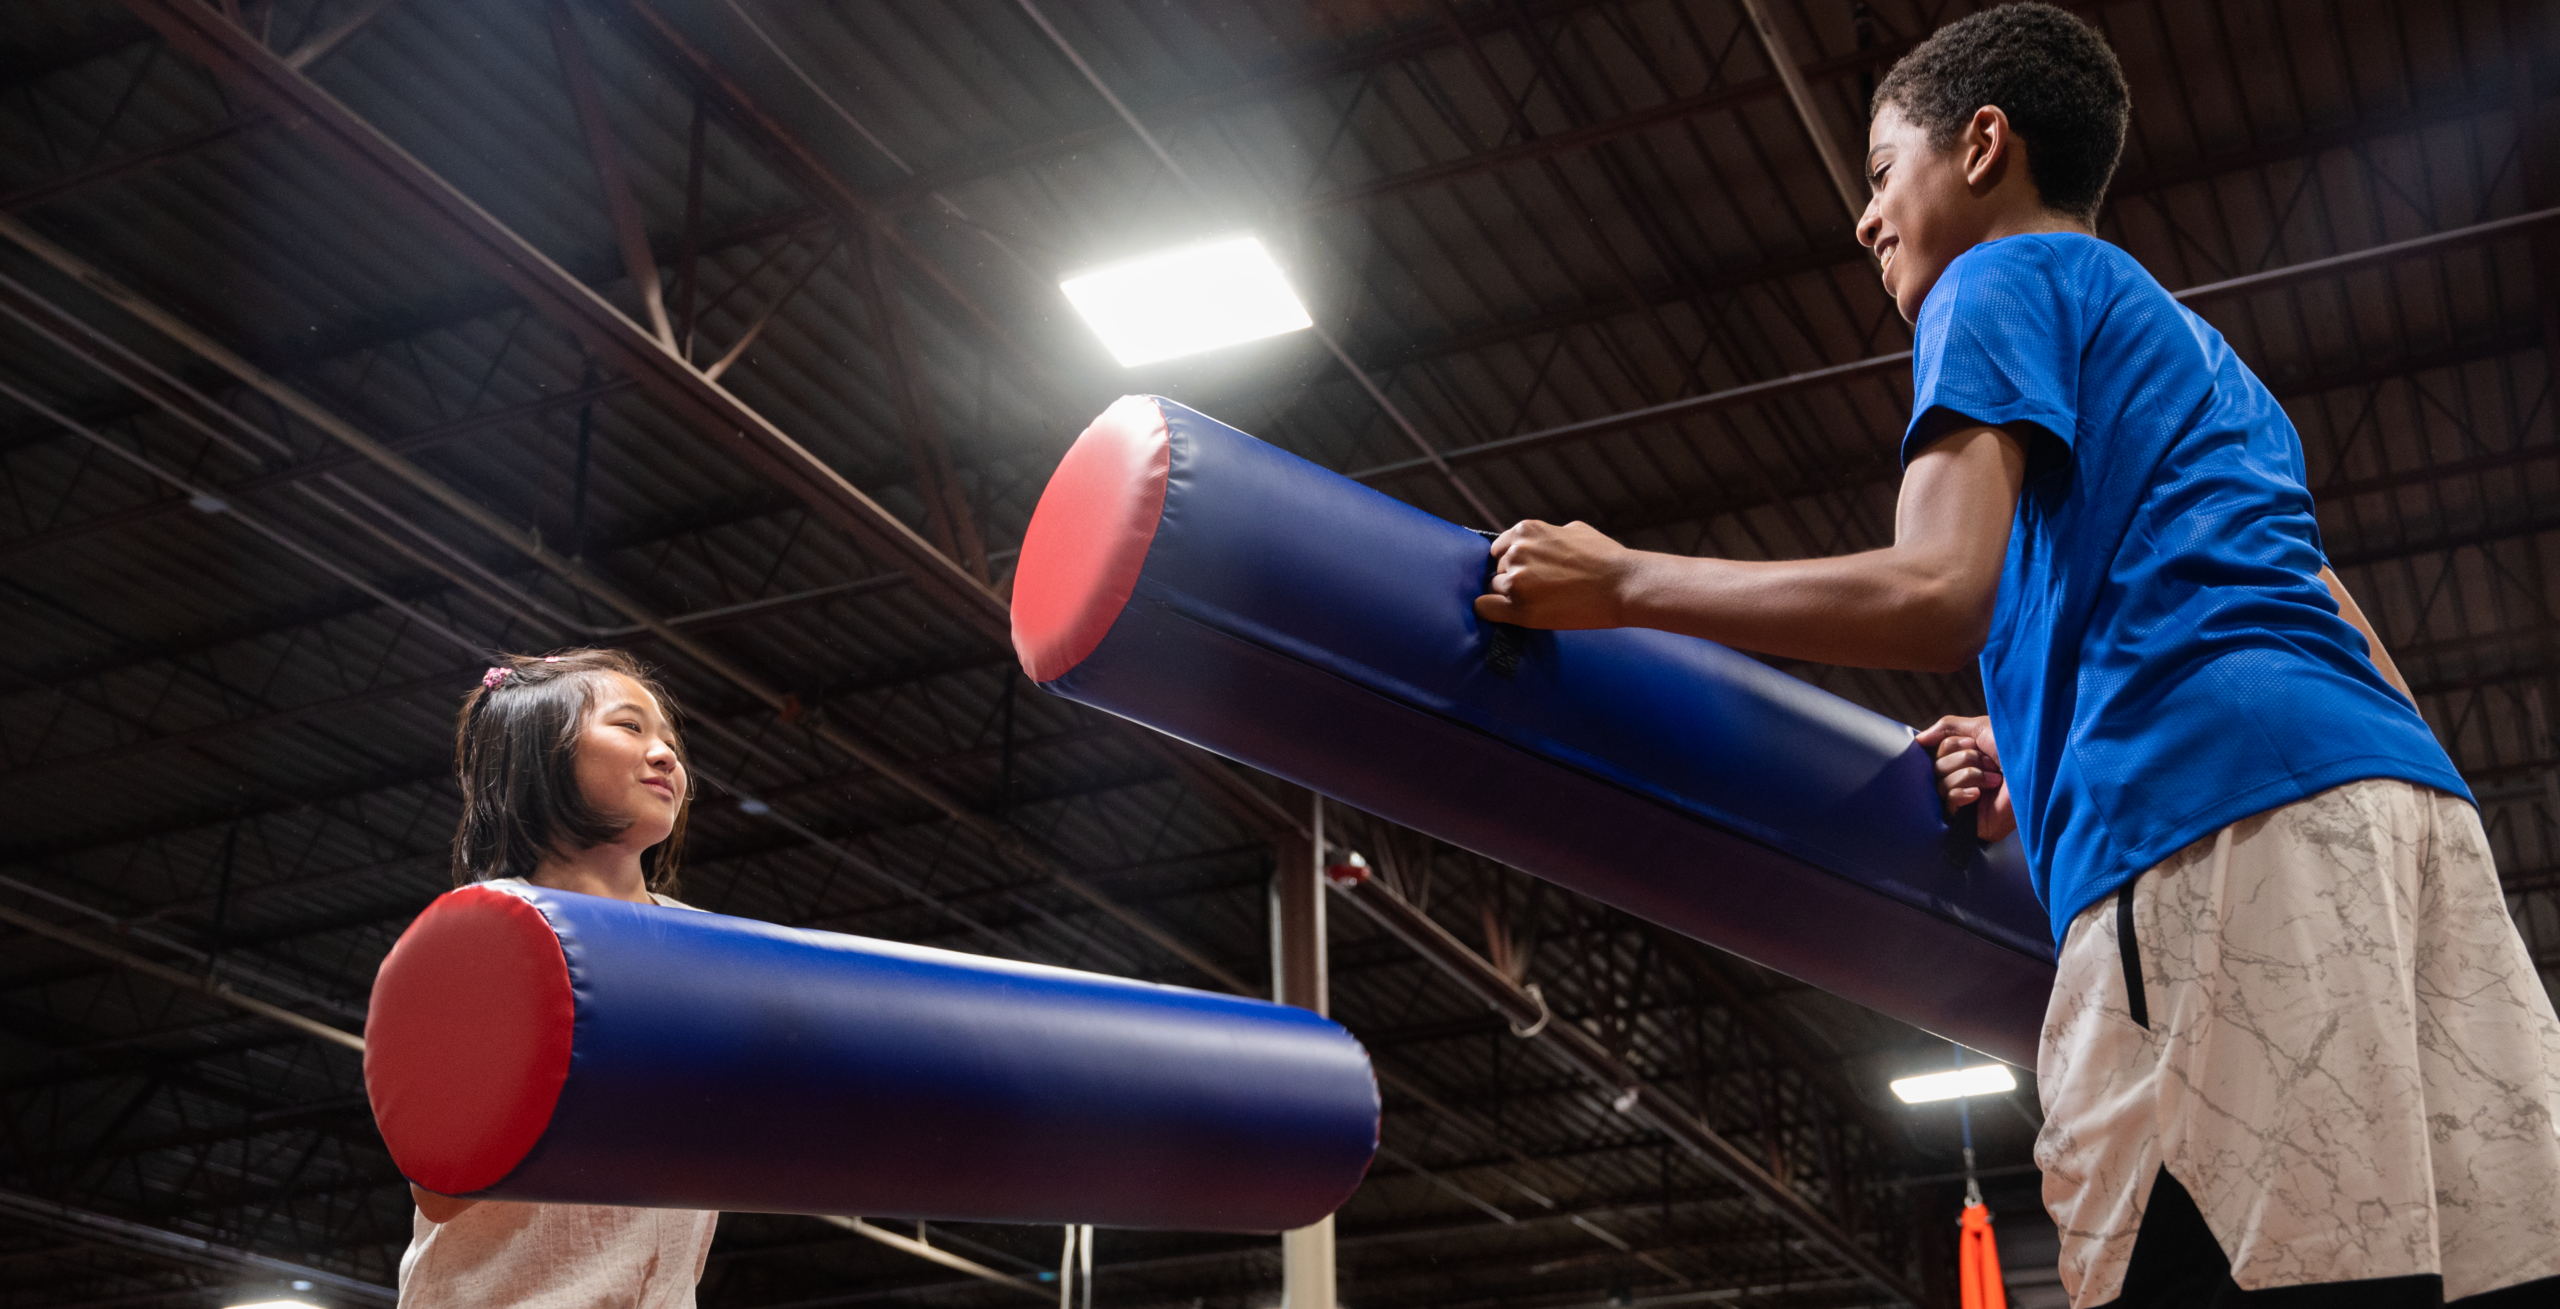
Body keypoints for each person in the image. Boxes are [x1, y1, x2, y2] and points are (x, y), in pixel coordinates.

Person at [1474, 4, 2560, 1304]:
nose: (1866, 219)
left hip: (2216, 816)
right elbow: (2319, 615)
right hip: (2418, 819)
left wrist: (1624, 580)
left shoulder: (1993, 277)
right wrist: (2033, 741)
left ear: (1983, 147)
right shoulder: (2197, 354)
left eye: (1882, 173)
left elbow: (1938, 592)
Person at [396, 649, 719, 1309]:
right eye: (630, 727)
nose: (665, 754)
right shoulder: (488, 939)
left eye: (669, 739)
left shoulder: (710, 945)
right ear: (543, 755)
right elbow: (438, 1186)